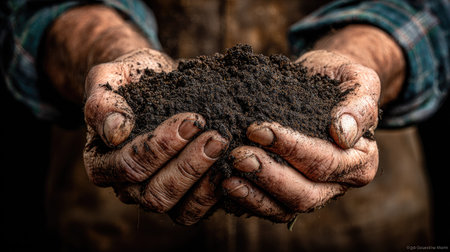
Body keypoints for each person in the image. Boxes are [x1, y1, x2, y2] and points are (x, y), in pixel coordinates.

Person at [1, 0, 448, 251]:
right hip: (114, 228)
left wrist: (366, 55)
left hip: (361, 230)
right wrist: (104, 46)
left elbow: (429, 9)